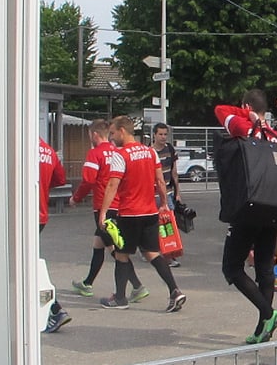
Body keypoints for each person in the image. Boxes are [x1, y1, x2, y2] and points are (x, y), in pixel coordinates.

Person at [214, 89, 277, 344]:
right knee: (265, 268)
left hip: (249, 208)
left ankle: (268, 313)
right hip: (274, 209)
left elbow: (220, 110)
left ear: (246, 105)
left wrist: (245, 114)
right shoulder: (276, 137)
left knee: (231, 268)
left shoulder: (244, 127)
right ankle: (262, 329)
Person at [98, 116, 186, 312]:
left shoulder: (121, 155)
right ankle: (175, 290)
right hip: (150, 212)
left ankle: (120, 298)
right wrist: (163, 203)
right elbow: (161, 181)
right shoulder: (150, 152)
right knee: (152, 253)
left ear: (122, 131)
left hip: (130, 213)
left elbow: (113, 184)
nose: (111, 138)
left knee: (121, 255)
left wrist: (103, 212)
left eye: (113, 133)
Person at [69, 119, 148, 301]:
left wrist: (76, 198)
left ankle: (137, 285)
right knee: (100, 243)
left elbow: (88, 180)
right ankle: (88, 283)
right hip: (120, 205)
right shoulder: (118, 152)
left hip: (104, 206)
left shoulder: (95, 154)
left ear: (94, 135)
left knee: (116, 249)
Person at [39, 137, 71, 333]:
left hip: (18, 216)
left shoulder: (15, 145)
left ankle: (55, 308)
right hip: (40, 214)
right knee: (26, 263)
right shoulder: (47, 150)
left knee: (25, 265)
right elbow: (60, 179)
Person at [150, 122, 182, 266]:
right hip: (153, 194)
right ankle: (152, 250)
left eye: (165, 134)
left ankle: (169, 252)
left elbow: (174, 173)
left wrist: (178, 193)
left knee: (169, 224)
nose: (163, 137)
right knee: (154, 224)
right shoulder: (150, 152)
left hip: (168, 192)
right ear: (154, 135)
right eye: (160, 134)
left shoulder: (170, 149)